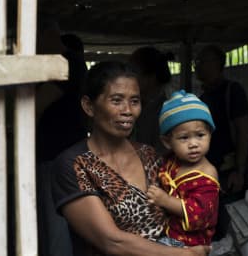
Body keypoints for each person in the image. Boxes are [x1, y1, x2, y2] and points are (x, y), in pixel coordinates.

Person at [50, 61, 211, 256]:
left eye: (134, 101)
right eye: (116, 100)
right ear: (89, 106)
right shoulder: (74, 164)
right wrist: (186, 254)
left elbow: (187, 207)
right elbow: (111, 241)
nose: (128, 110)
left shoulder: (150, 155)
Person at [35, 20, 88, 256]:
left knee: (56, 224)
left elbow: (36, 106)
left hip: (59, 157)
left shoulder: (68, 63)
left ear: (47, 34)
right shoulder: (69, 62)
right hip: (61, 154)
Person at [147, 90, 220, 247]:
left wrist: (165, 200)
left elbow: (200, 214)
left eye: (200, 135)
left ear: (210, 135)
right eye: (184, 138)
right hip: (168, 231)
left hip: (190, 243)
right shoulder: (172, 160)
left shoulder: (206, 174)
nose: (193, 144)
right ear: (168, 142)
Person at [194, 44, 248, 240]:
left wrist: (240, 171)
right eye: (197, 62)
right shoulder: (203, 97)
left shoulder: (232, 91)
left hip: (230, 174)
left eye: (202, 61)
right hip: (211, 174)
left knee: (234, 230)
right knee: (215, 232)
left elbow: (244, 131)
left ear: (217, 64)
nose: (197, 66)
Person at [129, 46, 172, 155]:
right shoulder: (136, 106)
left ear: (150, 77)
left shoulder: (165, 113)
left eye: (134, 72)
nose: (128, 78)